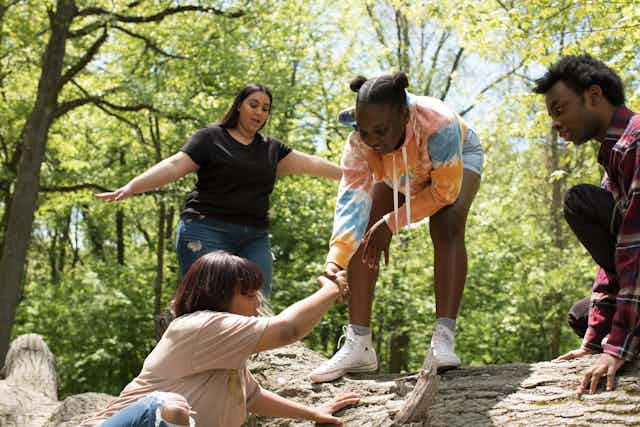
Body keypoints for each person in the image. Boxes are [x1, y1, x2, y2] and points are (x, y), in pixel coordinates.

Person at [309, 72, 484, 382]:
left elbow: (444, 192)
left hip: (453, 159)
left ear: (404, 115)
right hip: (400, 167)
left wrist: (392, 222)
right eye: (365, 131)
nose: (373, 139)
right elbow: (351, 201)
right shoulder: (362, 141)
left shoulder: (439, 125)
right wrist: (334, 261)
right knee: (364, 228)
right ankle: (359, 344)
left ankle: (443, 339)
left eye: (380, 130)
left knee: (447, 222)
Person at [96, 84, 342, 296]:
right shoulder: (211, 138)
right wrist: (131, 187)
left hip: (254, 237)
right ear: (239, 106)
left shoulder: (271, 149)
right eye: (253, 104)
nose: (259, 112)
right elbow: (173, 165)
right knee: (208, 303)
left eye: (265, 108)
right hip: (206, 230)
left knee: (256, 304)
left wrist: (353, 175)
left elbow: (312, 163)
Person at [80, 251, 359, 427]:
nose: (256, 304)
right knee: (170, 407)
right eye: (248, 295)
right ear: (217, 294)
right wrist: (332, 288)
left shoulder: (227, 359)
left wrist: (313, 413)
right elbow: (288, 329)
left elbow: (253, 397)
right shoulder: (199, 326)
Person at [533, 54, 640, 395]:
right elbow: (613, 257)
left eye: (559, 109)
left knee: (578, 200)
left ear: (594, 96)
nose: (555, 124)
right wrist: (594, 343)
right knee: (582, 316)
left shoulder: (635, 143)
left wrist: (617, 348)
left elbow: (634, 252)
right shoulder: (615, 157)